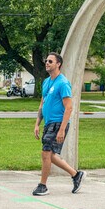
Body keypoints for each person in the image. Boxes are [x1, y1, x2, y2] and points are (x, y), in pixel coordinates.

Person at [32, 52, 86, 196]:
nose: (47, 63)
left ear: (58, 64)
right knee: (51, 155)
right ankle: (76, 175)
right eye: (46, 61)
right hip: (49, 123)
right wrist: (37, 123)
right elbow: (42, 104)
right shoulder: (46, 82)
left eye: (50, 61)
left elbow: (69, 107)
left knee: (45, 153)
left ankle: (42, 185)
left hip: (58, 123)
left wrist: (62, 129)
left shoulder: (63, 83)